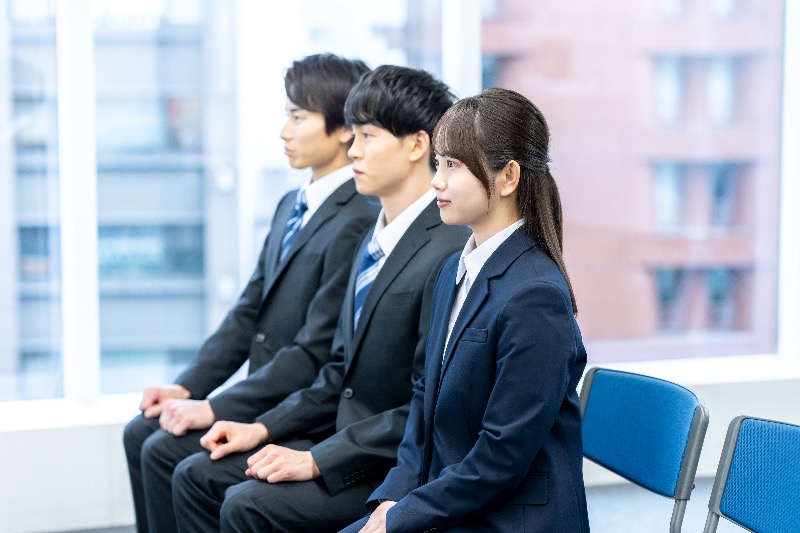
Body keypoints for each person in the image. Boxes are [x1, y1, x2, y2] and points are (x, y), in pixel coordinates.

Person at [169, 65, 469, 533]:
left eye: (368, 137)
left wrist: (318, 459)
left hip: (392, 465)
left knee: (245, 505)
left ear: (416, 145)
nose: (352, 150)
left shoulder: (447, 250)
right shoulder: (375, 239)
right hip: (340, 435)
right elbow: (337, 371)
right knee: (197, 474)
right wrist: (262, 428)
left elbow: (424, 407)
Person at [122, 53, 377, 533]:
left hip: (303, 410)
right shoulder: (291, 204)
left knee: (166, 452)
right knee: (142, 431)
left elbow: (317, 350)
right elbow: (247, 311)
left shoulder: (358, 218)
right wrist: (189, 386)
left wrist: (217, 407)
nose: (284, 131)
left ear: (344, 129)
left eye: (298, 117)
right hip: (266, 397)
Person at [342, 88, 590, 533]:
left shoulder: (535, 296)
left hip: (507, 518)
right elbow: (424, 402)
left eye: (452, 165)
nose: (437, 180)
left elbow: (501, 457)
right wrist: (393, 498)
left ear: (507, 177)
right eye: (438, 163)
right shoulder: (456, 270)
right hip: (453, 503)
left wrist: (403, 516)